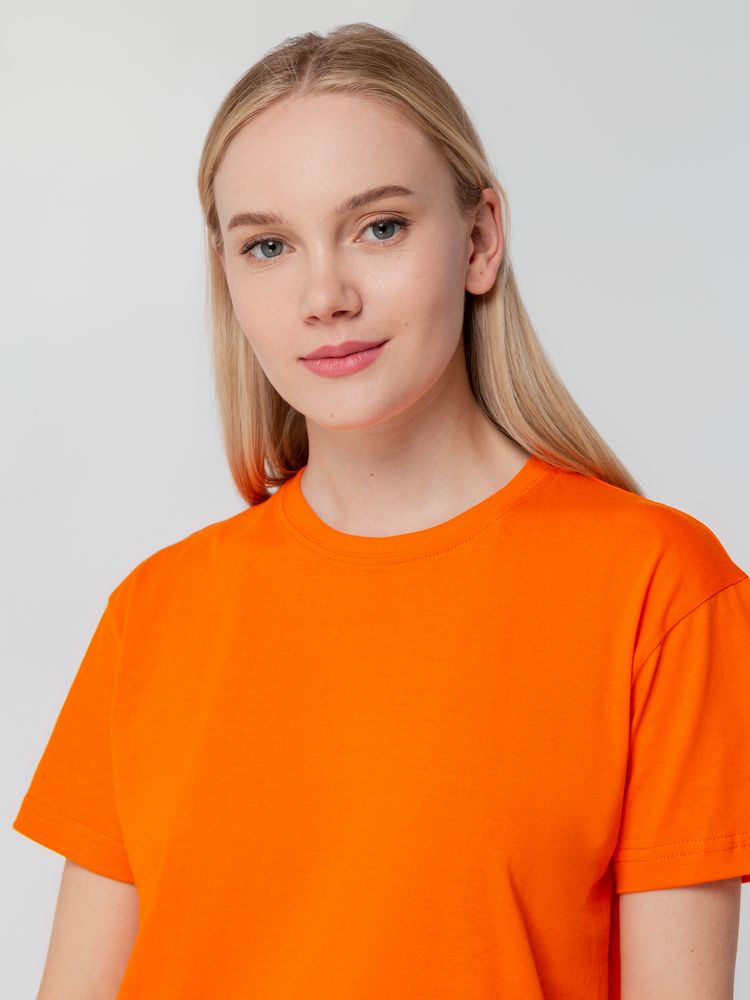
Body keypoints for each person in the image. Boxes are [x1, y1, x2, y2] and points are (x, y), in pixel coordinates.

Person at [12, 22, 750, 1000]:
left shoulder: (662, 593)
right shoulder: (155, 612)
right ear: (229, 278)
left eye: (380, 227)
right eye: (268, 245)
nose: (325, 294)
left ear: (480, 239)